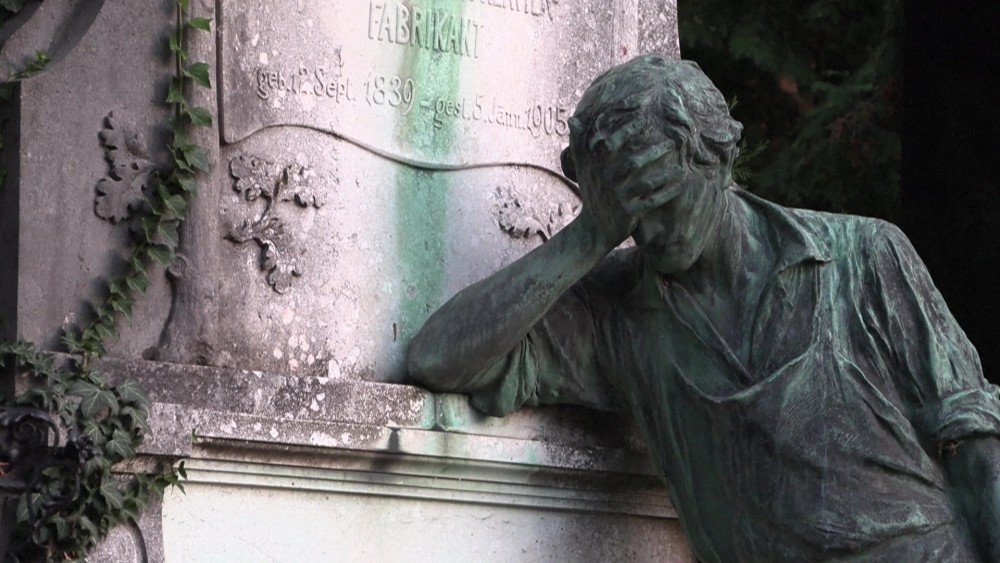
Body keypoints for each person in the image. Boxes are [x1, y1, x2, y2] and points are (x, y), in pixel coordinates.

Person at [407, 55, 1000, 561]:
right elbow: (438, 358)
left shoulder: (865, 256)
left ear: (717, 159)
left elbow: (974, 444)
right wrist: (589, 236)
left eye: (660, 200)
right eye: (626, 215)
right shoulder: (617, 313)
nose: (645, 229)